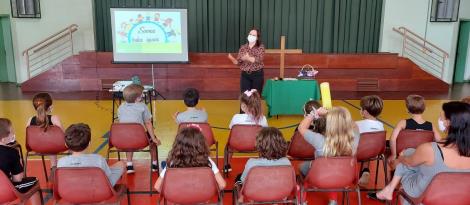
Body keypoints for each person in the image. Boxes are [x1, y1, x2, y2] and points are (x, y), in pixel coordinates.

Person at [376, 102, 470, 204]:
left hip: (425, 196)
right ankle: (389, 189)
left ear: (448, 123)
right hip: (459, 197)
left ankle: (390, 188)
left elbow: (408, 162)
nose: (439, 120)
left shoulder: (429, 149)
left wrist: (401, 157)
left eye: (441, 118)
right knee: (412, 153)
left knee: (406, 158)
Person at [298, 107, 360, 205]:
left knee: (302, 167)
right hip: (345, 177)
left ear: (329, 124)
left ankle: (303, 201)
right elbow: (354, 125)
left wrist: (315, 113)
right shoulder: (354, 138)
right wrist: (335, 115)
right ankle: (333, 201)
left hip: (319, 177)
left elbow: (301, 128)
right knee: (335, 170)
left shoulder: (320, 140)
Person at [154, 127, 226, 192]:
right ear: (201, 144)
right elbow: (222, 185)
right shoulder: (207, 161)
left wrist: (168, 194)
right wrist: (210, 192)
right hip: (201, 197)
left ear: (178, 145)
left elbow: (157, 187)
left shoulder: (173, 161)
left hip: (178, 198)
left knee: (166, 165)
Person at [57, 123, 125, 186]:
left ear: (66, 144)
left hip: (70, 191)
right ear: (89, 143)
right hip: (98, 190)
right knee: (121, 164)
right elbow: (107, 177)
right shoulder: (98, 159)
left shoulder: (61, 162)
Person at [117, 84, 161, 174]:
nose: (143, 95)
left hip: (123, 139)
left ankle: (129, 164)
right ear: (137, 99)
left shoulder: (120, 107)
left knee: (128, 138)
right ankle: (154, 164)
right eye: (142, 94)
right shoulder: (142, 106)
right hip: (139, 139)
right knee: (153, 143)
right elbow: (148, 123)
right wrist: (154, 138)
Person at [0, 118, 42, 205]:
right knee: (35, 181)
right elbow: (18, 179)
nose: (13, 134)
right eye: (11, 132)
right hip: (4, 191)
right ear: (3, 139)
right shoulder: (11, 152)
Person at [389, 95, 441, 162]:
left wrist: (393, 155)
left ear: (408, 109)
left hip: (405, 155)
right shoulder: (431, 125)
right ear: (424, 109)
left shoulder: (403, 123)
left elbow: (392, 139)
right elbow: (439, 140)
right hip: (423, 156)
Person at [27, 92, 64, 168]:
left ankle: (54, 167)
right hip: (53, 147)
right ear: (50, 107)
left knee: (48, 142)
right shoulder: (54, 118)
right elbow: (63, 135)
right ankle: (54, 166)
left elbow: (28, 136)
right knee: (52, 143)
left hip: (35, 147)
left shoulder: (30, 119)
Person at [355, 95, 385, 186]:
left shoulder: (357, 124)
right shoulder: (381, 125)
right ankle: (365, 170)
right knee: (368, 146)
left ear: (364, 112)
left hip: (359, 152)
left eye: (361, 109)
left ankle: (350, 173)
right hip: (375, 152)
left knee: (361, 146)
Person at [228, 27, 265, 93]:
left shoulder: (261, 47)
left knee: (255, 96)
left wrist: (247, 58)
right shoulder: (243, 47)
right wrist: (234, 60)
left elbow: (258, 59)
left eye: (254, 35)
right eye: (250, 34)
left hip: (257, 75)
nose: (251, 36)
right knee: (245, 96)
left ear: (257, 38)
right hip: (245, 75)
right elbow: (239, 62)